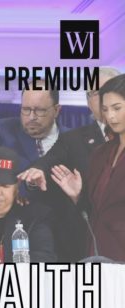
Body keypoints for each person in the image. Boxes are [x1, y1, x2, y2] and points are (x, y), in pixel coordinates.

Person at [18, 67, 121, 261]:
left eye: (103, 91)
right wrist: (36, 173)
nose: (98, 98)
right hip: (88, 247)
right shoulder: (73, 140)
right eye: (91, 94)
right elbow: (47, 162)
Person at [53, 74, 125, 261]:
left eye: (117, 108)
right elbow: (96, 211)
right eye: (105, 109)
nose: (110, 116)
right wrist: (78, 195)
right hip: (96, 254)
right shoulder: (100, 154)